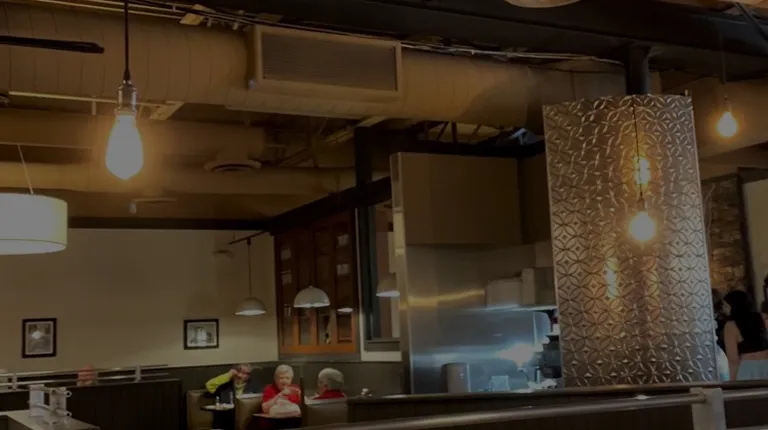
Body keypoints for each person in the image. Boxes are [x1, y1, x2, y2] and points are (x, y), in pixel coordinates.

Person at [723, 290, 768, 380]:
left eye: (726, 305)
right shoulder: (763, 318)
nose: (724, 309)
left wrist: (732, 381)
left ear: (734, 306)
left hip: (747, 368)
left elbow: (733, 359)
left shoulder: (730, 326)